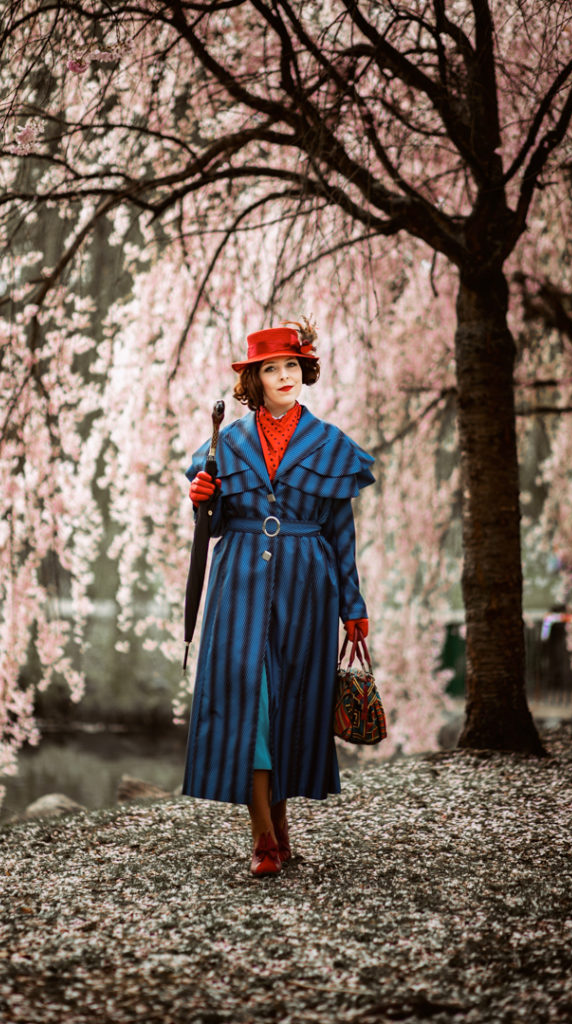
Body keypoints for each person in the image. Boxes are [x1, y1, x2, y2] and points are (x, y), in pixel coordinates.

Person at [183, 319, 375, 877]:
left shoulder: (330, 444)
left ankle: (280, 826)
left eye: (292, 366)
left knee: (290, 705)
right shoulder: (226, 443)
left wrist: (353, 607)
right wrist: (203, 500)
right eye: (272, 369)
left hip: (308, 589)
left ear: (304, 370)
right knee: (253, 705)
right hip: (238, 584)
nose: (284, 376)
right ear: (254, 380)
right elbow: (213, 525)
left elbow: (342, 532)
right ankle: (263, 837)